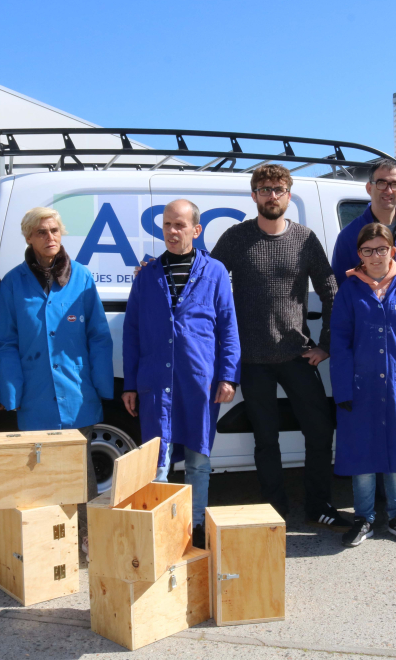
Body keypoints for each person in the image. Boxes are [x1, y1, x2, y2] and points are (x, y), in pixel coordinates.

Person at [210, 164, 349, 530]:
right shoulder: (235, 238)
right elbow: (204, 279)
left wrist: (326, 344)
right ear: (254, 194)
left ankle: (318, 504)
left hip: (297, 355)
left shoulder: (304, 238)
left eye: (278, 189)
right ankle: (275, 508)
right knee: (265, 440)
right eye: (265, 189)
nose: (272, 195)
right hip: (252, 360)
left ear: (289, 195)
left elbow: (331, 288)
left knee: (319, 432)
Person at [0, 206, 113, 557]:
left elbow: (99, 336)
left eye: (55, 231)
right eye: (42, 232)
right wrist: (11, 392)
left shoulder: (82, 277)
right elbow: (6, 341)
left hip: (77, 391)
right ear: (29, 237)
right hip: (36, 394)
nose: (50, 238)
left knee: (81, 469)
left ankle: (89, 538)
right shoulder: (13, 282)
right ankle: (50, 542)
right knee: (40, 471)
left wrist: (101, 386)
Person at [123, 199, 240, 549]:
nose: (173, 232)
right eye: (167, 226)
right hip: (156, 383)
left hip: (199, 381)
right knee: (157, 462)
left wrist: (228, 376)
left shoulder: (215, 271)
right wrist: (130, 383)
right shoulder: (147, 275)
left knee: (198, 460)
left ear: (196, 229)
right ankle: (158, 529)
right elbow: (132, 332)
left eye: (180, 225)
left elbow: (228, 328)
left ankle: (197, 524)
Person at [330, 158, 396, 530]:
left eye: (394, 183)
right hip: (362, 371)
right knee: (363, 448)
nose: (387, 189)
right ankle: (366, 516)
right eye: (381, 182)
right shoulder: (348, 239)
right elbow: (341, 310)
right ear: (369, 187)